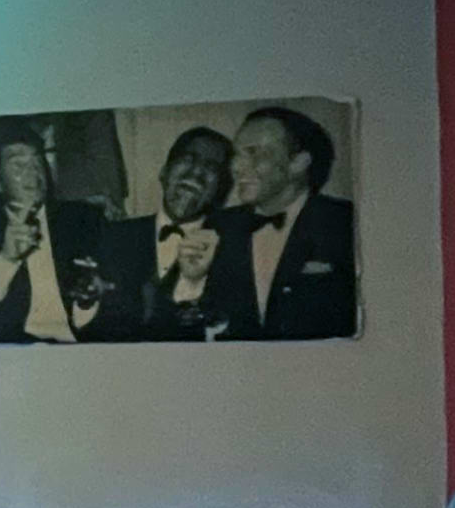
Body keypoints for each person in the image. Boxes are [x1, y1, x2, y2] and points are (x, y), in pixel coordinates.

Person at [203, 105, 358, 340]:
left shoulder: (345, 223)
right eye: (237, 154)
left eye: (254, 153)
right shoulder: (217, 226)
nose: (235, 166)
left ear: (298, 163)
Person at [84, 125, 236, 340]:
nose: (196, 173)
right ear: (164, 172)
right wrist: (85, 303)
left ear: (219, 191)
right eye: (188, 159)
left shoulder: (233, 248)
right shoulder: (112, 236)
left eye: (211, 168)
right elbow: (87, 327)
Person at [0, 132, 112, 343]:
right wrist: (8, 259)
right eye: (18, 165)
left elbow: (110, 310)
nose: (33, 172)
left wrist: (87, 301)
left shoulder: (84, 220)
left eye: (37, 161)